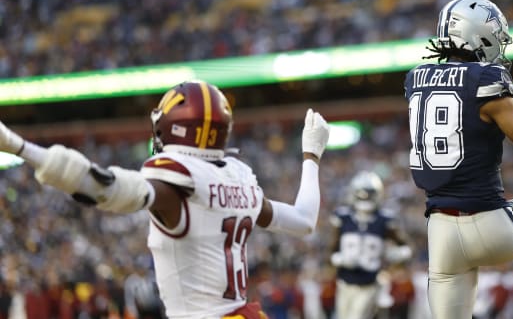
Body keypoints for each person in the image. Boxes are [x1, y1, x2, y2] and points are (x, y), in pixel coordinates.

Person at [0, 80, 331, 319]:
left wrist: (20, 147)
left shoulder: (177, 177)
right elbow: (304, 221)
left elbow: (107, 189)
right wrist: (311, 155)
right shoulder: (239, 176)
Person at [403, 0, 513, 319]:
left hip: (439, 235)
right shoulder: (487, 79)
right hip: (487, 225)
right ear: (479, 35)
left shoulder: (415, 79)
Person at [328, 170, 412, 319]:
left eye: (369, 194)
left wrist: (396, 254)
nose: (365, 198)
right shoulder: (343, 217)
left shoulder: (385, 221)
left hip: (369, 283)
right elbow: (331, 250)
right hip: (344, 282)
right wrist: (338, 259)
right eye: (362, 194)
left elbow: (406, 247)